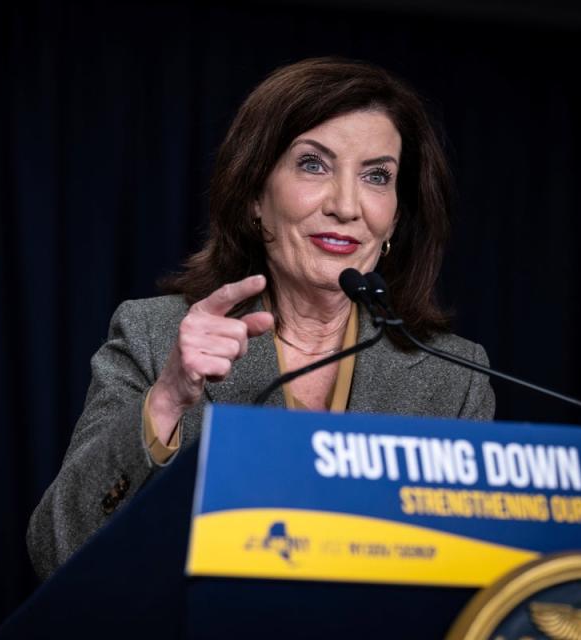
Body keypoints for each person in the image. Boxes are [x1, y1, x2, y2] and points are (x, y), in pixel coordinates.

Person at [26, 57, 495, 580]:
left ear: (395, 217)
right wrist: (165, 399)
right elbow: (56, 551)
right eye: (313, 164)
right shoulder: (156, 337)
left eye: (376, 176)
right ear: (254, 195)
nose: (346, 205)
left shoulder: (455, 378)